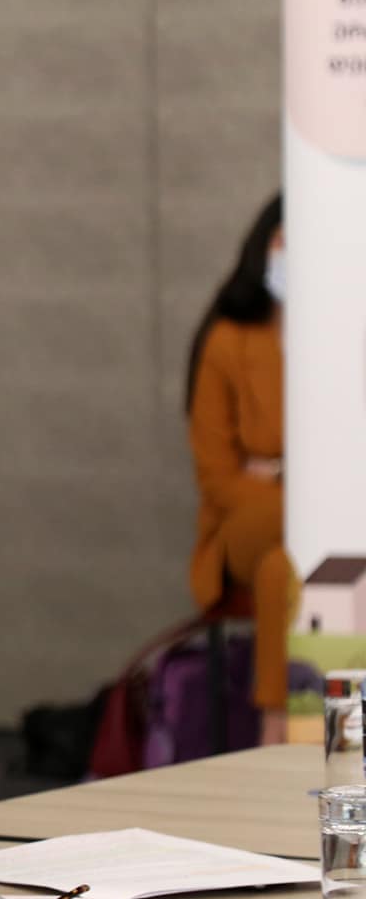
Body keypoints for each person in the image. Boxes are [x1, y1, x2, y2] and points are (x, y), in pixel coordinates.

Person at [185, 193, 289, 743]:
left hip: (301, 538)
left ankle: (280, 732)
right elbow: (219, 478)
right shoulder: (230, 340)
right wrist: (296, 484)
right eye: (286, 241)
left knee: (284, 572)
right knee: (299, 537)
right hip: (241, 525)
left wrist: (273, 467)